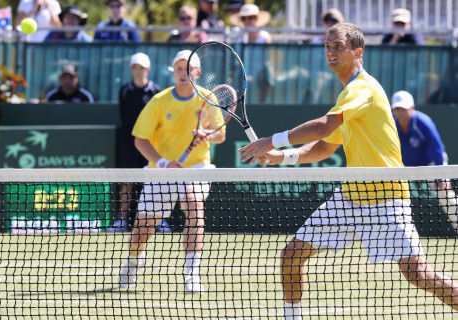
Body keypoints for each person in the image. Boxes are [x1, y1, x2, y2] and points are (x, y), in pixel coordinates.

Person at [238, 23, 458, 319]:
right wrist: (281, 157)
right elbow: (324, 147)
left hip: (387, 197)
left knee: (417, 275)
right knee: (291, 255)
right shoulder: (348, 96)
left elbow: (325, 126)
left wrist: (271, 140)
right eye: (328, 46)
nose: (330, 52)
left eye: (338, 46)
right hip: (350, 198)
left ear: (357, 51)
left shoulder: (362, 88)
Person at [118, 50, 226, 293]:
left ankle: (191, 273)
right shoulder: (159, 101)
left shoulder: (208, 98)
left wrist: (206, 135)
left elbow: (220, 134)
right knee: (143, 228)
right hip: (162, 170)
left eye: (188, 69)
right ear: (173, 72)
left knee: (193, 202)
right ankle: (134, 261)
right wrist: (163, 162)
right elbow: (140, 139)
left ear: (197, 73)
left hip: (197, 166)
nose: (183, 73)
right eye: (179, 68)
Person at [108, 52, 162, 232]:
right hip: (128, 143)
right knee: (127, 181)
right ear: (132, 69)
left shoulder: (157, 92)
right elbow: (124, 115)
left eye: (142, 68)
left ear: (148, 69)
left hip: (151, 144)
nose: (139, 71)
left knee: (155, 182)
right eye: (135, 68)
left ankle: (160, 221)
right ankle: (122, 220)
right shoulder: (124, 91)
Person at [391, 90, 458, 231]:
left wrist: (440, 176)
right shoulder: (391, 125)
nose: (400, 112)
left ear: (412, 108)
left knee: (446, 194)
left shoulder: (424, 122)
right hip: (404, 167)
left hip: (431, 165)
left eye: (404, 108)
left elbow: (437, 149)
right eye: (397, 108)